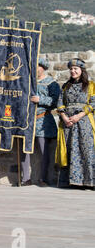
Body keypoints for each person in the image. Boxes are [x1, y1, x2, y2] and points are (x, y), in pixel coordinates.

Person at [19, 58, 61, 186]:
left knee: (44, 151)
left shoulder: (51, 83)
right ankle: (25, 178)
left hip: (43, 120)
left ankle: (43, 179)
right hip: (26, 121)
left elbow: (55, 101)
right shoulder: (25, 81)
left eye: (37, 66)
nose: (35, 69)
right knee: (25, 150)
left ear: (43, 67)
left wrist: (40, 99)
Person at [56, 58, 95, 188]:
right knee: (70, 149)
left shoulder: (90, 85)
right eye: (71, 69)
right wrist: (64, 117)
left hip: (84, 122)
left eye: (75, 69)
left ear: (81, 70)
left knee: (86, 149)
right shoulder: (66, 86)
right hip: (68, 123)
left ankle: (88, 182)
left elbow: (93, 103)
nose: (73, 71)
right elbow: (60, 103)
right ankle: (72, 182)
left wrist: (79, 115)